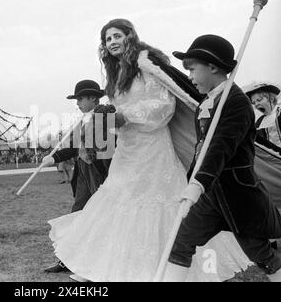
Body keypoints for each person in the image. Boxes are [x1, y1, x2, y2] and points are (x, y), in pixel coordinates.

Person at [48, 19, 252, 282]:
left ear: (130, 36)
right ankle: (101, 266)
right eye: (107, 39)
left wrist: (125, 116)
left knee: (156, 203)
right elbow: (115, 115)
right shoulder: (115, 75)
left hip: (153, 148)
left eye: (117, 36)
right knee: (115, 202)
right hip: (127, 149)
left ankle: (168, 266)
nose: (112, 42)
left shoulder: (145, 63)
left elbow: (163, 107)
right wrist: (105, 126)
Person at [163, 35, 281, 282]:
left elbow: (219, 148)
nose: (189, 76)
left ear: (213, 66)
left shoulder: (237, 102)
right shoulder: (206, 103)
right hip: (211, 196)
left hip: (238, 196)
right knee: (180, 243)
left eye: (192, 69)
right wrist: (195, 183)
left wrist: (198, 184)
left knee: (260, 253)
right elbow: (201, 148)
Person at [42, 79, 114, 273]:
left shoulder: (106, 117)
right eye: (77, 99)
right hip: (82, 171)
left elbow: (110, 149)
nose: (78, 103)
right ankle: (67, 259)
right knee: (78, 213)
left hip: (101, 173)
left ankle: (102, 258)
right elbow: (74, 148)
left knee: (104, 217)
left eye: (81, 99)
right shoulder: (83, 120)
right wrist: (54, 157)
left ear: (93, 98)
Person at [244, 82, 281, 156]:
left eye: (259, 100)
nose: (256, 104)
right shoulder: (259, 122)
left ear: (271, 99)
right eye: (254, 102)